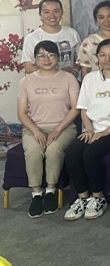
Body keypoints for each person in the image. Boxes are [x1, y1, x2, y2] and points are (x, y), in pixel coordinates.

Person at [63, 39, 110, 221]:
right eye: (103, 55)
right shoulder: (90, 78)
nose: (107, 59)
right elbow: (83, 108)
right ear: (97, 57)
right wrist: (88, 129)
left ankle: (98, 197)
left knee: (90, 152)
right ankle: (83, 198)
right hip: (92, 128)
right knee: (72, 152)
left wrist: (106, 132)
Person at [17, 40, 80, 218]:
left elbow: (75, 108)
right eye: (41, 56)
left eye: (51, 55)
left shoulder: (68, 78)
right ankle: (36, 193)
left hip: (64, 127)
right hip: (34, 127)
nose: (46, 59)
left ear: (58, 58)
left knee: (53, 149)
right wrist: (36, 131)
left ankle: (51, 190)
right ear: (35, 59)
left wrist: (57, 130)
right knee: (33, 151)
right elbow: (22, 113)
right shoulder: (26, 81)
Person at [21, 0, 81, 76]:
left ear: (62, 12)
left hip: (67, 80)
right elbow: (29, 68)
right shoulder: (32, 38)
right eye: (46, 12)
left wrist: (75, 70)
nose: (52, 16)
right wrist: (58, 71)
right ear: (40, 14)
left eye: (56, 11)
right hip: (43, 82)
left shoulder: (72, 33)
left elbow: (81, 58)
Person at [78, 0, 110, 78]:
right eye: (101, 17)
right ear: (96, 20)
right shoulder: (89, 41)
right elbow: (85, 69)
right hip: (96, 83)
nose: (106, 20)